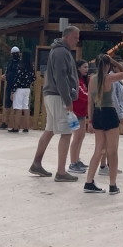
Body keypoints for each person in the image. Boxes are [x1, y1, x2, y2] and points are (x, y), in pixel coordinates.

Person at [29, 25, 80, 181]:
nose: (77, 41)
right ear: (67, 37)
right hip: (58, 96)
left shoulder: (57, 50)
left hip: (52, 95)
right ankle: (61, 172)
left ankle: (36, 163)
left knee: (50, 129)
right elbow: (61, 77)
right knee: (66, 132)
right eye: (75, 38)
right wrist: (68, 99)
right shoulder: (62, 52)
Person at [82, 54, 123, 195]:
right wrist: (114, 60)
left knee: (98, 150)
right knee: (112, 151)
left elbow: (90, 102)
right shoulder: (109, 78)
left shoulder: (92, 79)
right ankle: (112, 185)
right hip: (109, 113)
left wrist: (90, 121)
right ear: (108, 65)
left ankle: (89, 182)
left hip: (97, 113)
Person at [68, 59, 90, 173]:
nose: (87, 69)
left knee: (81, 136)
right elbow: (83, 95)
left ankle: (77, 159)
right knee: (76, 137)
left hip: (82, 112)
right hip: (75, 113)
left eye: (87, 67)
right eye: (84, 67)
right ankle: (72, 163)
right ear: (78, 68)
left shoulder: (84, 80)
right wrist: (92, 98)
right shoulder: (76, 81)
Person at [9, 51, 35, 132]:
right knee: (25, 107)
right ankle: (26, 127)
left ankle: (16, 127)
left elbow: (17, 79)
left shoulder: (20, 66)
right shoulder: (31, 67)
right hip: (27, 89)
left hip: (19, 89)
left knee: (18, 108)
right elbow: (34, 78)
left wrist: (13, 91)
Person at [0, 46, 23, 130]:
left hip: (17, 86)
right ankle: (4, 122)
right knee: (7, 104)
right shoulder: (10, 62)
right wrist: (4, 75)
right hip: (9, 85)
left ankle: (16, 125)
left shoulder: (21, 63)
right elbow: (7, 72)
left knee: (17, 106)